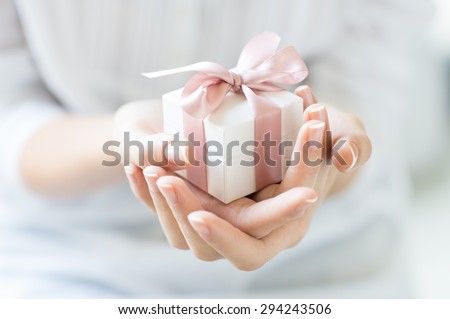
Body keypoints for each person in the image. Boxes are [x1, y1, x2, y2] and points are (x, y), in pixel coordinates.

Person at [0, 0, 432, 297]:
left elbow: (367, 89)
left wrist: (329, 153)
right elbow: (12, 120)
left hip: (335, 257)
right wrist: (122, 138)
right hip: (73, 254)